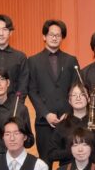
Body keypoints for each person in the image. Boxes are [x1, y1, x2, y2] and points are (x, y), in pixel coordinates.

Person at [28, 19, 81, 161]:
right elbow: (32, 90)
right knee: (45, 162)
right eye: (51, 34)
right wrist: (46, 114)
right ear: (44, 36)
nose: (54, 38)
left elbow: (77, 88)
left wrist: (68, 112)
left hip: (67, 121)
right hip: (44, 122)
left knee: (69, 160)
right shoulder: (33, 61)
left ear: (62, 38)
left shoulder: (71, 60)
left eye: (58, 35)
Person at [44, 82, 95, 168]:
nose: (78, 98)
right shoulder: (62, 125)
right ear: (69, 100)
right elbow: (51, 154)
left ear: (89, 99)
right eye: (74, 95)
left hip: (93, 169)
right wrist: (73, 151)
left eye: (82, 94)